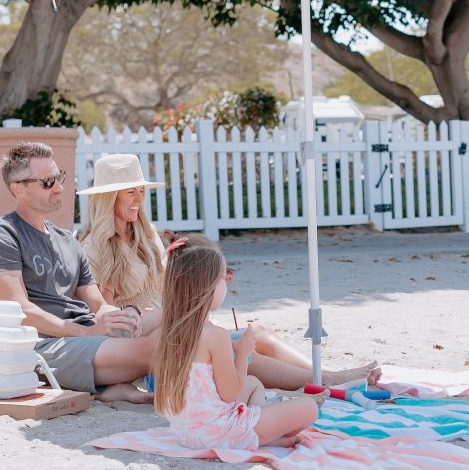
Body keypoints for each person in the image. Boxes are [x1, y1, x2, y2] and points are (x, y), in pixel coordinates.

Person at [76, 153, 376, 390]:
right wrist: (174, 315)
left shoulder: (146, 234)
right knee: (238, 351)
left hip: (177, 317)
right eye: (129, 192)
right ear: (108, 197)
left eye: (140, 191)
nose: (138, 200)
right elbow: (113, 319)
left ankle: (327, 373)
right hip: (148, 335)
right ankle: (325, 380)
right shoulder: (95, 247)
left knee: (257, 332)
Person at [0, 142, 155, 403]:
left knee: (176, 323)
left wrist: (119, 317)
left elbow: (97, 304)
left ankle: (114, 387)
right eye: (47, 182)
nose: (59, 187)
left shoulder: (66, 240)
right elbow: (20, 312)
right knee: (168, 347)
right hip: (45, 346)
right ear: (18, 189)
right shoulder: (0, 236)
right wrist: (87, 332)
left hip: (85, 337)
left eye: (59, 178)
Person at [154, 234, 322, 449]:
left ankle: (262, 432)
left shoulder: (169, 331)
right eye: (224, 278)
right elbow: (230, 393)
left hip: (185, 433)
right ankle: (260, 437)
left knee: (253, 384)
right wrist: (242, 354)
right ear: (207, 286)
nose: (226, 284)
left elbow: (206, 388)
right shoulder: (215, 336)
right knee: (309, 408)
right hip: (218, 434)